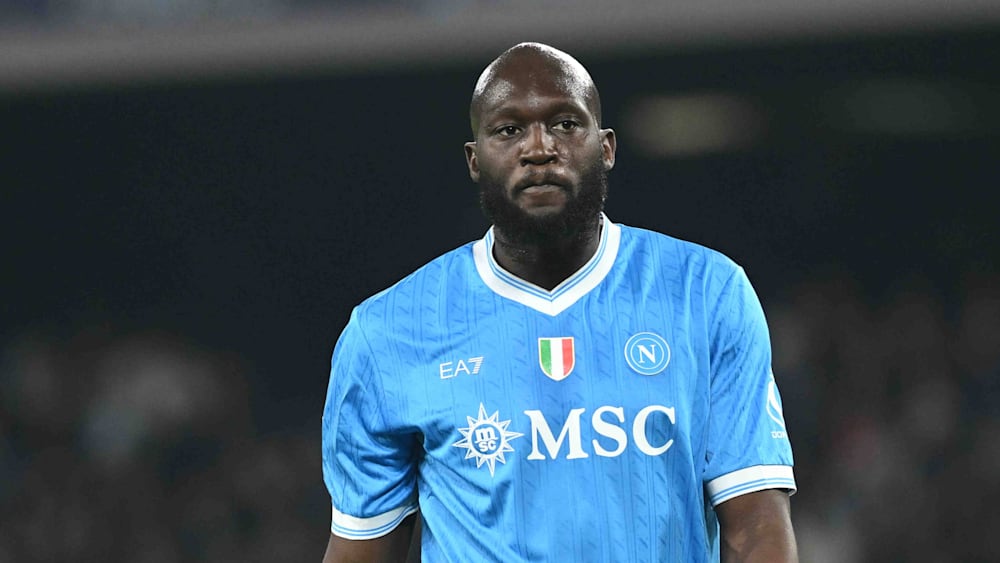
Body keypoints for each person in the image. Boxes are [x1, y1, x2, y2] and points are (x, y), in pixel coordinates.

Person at [321, 42, 798, 562]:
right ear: (475, 160)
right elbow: (360, 551)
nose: (539, 148)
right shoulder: (389, 331)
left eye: (565, 124)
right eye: (509, 130)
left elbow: (757, 527)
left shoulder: (704, 293)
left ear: (606, 147)